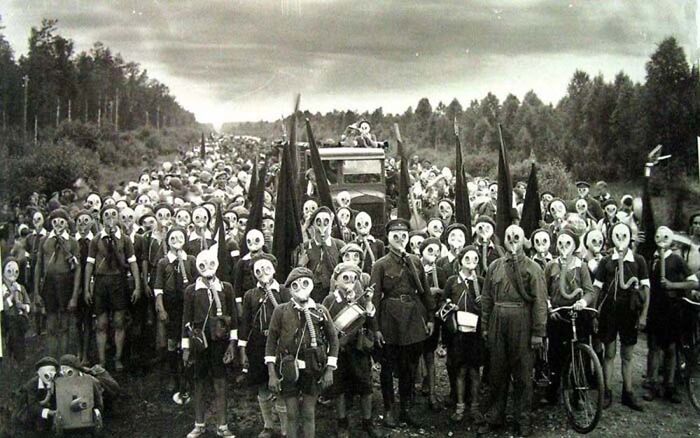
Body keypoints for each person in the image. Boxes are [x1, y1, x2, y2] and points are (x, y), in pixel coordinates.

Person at [479, 225, 547, 437]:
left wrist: (538, 332)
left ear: (524, 240)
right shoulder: (495, 266)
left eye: (517, 236)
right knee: (497, 371)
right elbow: (487, 298)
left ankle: (522, 420)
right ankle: (495, 416)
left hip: (522, 321)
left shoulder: (533, 268)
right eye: (509, 236)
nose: (513, 239)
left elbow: (540, 302)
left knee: (523, 374)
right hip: (498, 320)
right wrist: (485, 326)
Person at [371, 218, 434, 428]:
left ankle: (406, 408)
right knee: (388, 367)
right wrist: (375, 328)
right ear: (388, 238)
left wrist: (430, 317)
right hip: (390, 319)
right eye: (395, 236)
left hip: (412, 319)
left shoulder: (415, 261)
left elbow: (425, 291)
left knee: (409, 366)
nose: (400, 239)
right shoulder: (380, 265)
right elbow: (374, 300)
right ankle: (389, 408)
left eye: (404, 236)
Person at [265, 267, 339, 438]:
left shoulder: (320, 311)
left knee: (308, 413)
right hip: (288, 368)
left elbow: (333, 340)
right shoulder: (281, 311)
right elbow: (271, 342)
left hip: (313, 368)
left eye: (305, 283)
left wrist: (329, 369)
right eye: (295, 285)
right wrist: (272, 374)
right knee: (291, 414)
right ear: (290, 289)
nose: (300, 288)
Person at [322, 262, 383, 438]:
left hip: (358, 349)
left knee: (365, 386)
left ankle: (367, 422)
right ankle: (342, 423)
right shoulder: (330, 300)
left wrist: (369, 301)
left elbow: (370, 320)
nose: (350, 281)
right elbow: (324, 325)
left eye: (354, 278)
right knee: (339, 388)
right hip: (339, 351)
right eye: (345, 277)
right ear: (336, 280)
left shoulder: (361, 298)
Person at [181, 249, 237, 438]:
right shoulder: (191, 290)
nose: (208, 268)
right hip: (200, 344)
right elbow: (186, 320)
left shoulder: (226, 288)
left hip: (220, 343)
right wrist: (186, 347)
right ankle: (199, 424)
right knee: (199, 383)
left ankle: (222, 425)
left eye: (211, 264)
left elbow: (233, 318)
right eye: (203, 265)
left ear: (217, 265)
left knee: (220, 383)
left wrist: (232, 343)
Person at [593, 222, 649, 411]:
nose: (621, 240)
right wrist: (594, 312)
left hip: (630, 313)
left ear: (630, 237)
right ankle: (607, 392)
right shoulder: (606, 261)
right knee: (609, 353)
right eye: (617, 236)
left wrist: (644, 315)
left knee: (628, 355)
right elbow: (597, 288)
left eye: (625, 236)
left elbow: (646, 289)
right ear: (611, 238)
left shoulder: (638, 261)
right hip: (609, 313)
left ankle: (628, 392)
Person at [644, 226, 700, 403]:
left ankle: (669, 385)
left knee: (671, 348)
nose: (661, 241)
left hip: (672, 309)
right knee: (653, 348)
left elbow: (694, 283)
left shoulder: (676, 260)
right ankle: (652, 384)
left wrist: (673, 285)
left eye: (665, 237)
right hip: (655, 309)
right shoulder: (652, 260)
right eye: (658, 236)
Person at [238, 253, 290, 438]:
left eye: (267, 268)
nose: (263, 272)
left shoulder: (284, 291)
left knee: (281, 385)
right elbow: (245, 324)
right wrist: (243, 350)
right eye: (258, 270)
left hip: (280, 344)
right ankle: (268, 425)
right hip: (258, 344)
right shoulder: (250, 295)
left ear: (274, 269)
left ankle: (285, 428)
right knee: (262, 384)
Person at [84, 205, 141, 371]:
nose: (110, 218)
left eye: (113, 214)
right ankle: (102, 360)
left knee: (119, 322)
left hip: (118, 282)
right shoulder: (96, 240)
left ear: (118, 218)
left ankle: (118, 358)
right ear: (102, 219)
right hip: (101, 283)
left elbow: (133, 263)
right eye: (106, 215)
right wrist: (87, 288)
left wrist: (137, 286)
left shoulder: (125, 239)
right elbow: (89, 264)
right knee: (101, 323)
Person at [542, 228, 595, 404]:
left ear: (574, 246)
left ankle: (578, 393)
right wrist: (550, 308)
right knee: (555, 354)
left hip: (577, 314)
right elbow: (544, 291)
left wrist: (583, 302)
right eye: (561, 243)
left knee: (579, 355)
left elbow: (589, 291)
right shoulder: (551, 265)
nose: (564, 247)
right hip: (558, 315)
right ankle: (553, 390)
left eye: (568, 243)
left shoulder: (581, 266)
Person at [440, 246, 484, 424]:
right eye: (467, 258)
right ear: (460, 260)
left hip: (475, 333)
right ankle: (459, 406)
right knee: (460, 370)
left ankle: (475, 407)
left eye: (475, 259)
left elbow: (487, 305)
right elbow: (442, 302)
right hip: (457, 333)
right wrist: (449, 306)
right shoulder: (452, 281)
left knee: (474, 371)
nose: (471, 262)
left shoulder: (480, 282)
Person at [154, 227, 198, 394]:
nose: (176, 241)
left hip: (188, 306)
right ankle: (174, 376)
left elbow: (197, 282)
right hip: (171, 305)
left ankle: (188, 377)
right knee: (172, 341)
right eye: (173, 238)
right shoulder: (163, 262)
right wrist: (161, 308)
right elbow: (158, 288)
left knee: (187, 340)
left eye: (180, 237)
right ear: (168, 241)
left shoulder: (191, 260)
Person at [33, 208, 81, 357]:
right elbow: (38, 266)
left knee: (65, 326)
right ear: (51, 223)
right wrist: (36, 292)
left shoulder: (72, 242)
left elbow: (77, 269)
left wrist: (74, 296)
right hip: (49, 285)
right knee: (51, 325)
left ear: (67, 223)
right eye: (55, 221)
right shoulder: (44, 240)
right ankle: (52, 359)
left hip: (66, 284)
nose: (58, 224)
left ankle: (64, 360)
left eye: (61, 221)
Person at [2, 257, 32, 364]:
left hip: (19, 319)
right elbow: (4, 306)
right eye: (9, 271)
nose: (13, 274)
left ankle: (19, 359)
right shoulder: (2, 288)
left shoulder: (20, 287)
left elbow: (28, 304)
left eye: (16, 271)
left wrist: (24, 307)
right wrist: (11, 296)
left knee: (19, 338)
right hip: (6, 319)